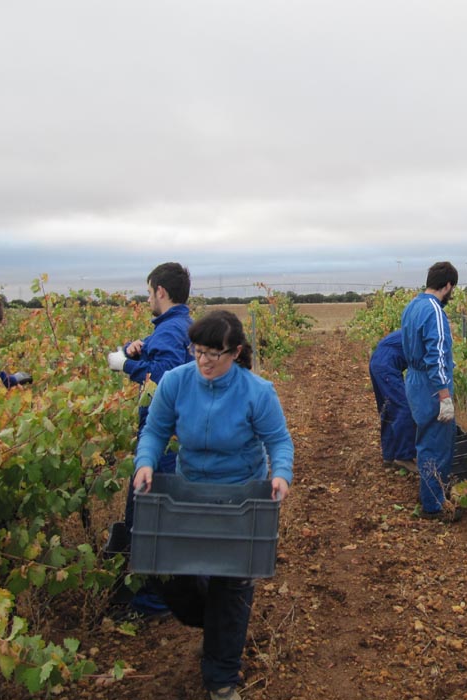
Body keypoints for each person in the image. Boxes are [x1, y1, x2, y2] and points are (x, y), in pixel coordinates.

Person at [132, 309, 294, 700]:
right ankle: (221, 627)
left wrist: (280, 474)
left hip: (240, 496)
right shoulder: (175, 382)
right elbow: (155, 430)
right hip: (189, 495)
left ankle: (221, 679)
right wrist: (146, 463)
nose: (203, 360)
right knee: (173, 579)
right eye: (198, 351)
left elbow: (278, 441)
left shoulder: (257, 391)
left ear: (235, 352)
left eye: (213, 354)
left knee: (231, 586)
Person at [106, 262, 193, 617]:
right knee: (151, 515)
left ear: (161, 291)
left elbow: (164, 378)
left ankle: (153, 603)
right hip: (172, 437)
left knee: (151, 517)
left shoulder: (172, 330)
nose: (147, 299)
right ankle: (145, 595)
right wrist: (134, 348)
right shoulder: (181, 327)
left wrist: (123, 365)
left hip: (162, 439)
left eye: (148, 292)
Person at [400, 261, 460, 521]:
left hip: (414, 380)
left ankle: (429, 494)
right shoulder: (435, 310)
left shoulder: (412, 306)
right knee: (437, 443)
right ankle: (434, 505)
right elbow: (435, 356)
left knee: (425, 440)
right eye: (452, 288)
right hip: (431, 385)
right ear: (447, 285)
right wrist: (444, 395)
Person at [369, 330, 417, 471]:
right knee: (404, 408)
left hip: (378, 362)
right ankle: (403, 456)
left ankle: (389, 455)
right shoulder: (423, 335)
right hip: (386, 366)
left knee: (389, 408)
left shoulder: (413, 329)